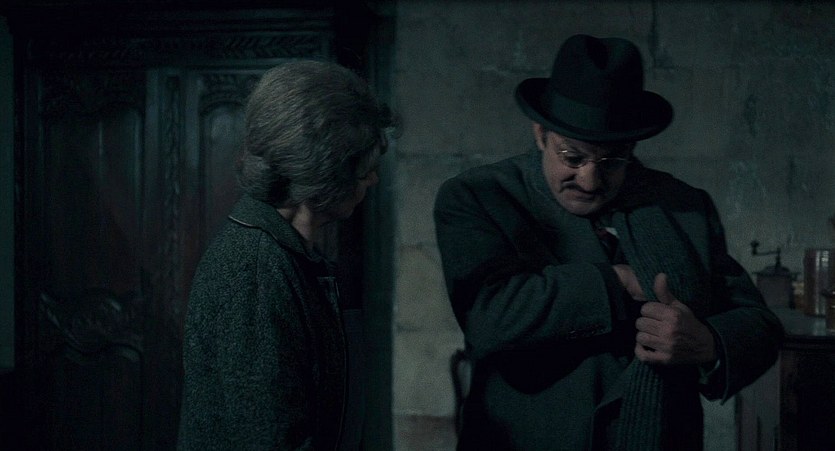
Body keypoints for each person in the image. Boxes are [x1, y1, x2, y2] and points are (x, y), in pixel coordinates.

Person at [434, 34, 783, 451]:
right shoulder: (480, 196)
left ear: (632, 148)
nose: (589, 180)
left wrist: (708, 342)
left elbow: (759, 325)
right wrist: (620, 282)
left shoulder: (684, 206)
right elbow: (490, 317)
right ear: (541, 134)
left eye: (612, 160)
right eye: (572, 157)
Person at [178, 60, 394, 450]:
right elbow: (268, 437)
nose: (373, 179)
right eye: (363, 170)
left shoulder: (287, 254)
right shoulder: (256, 267)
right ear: (324, 173)